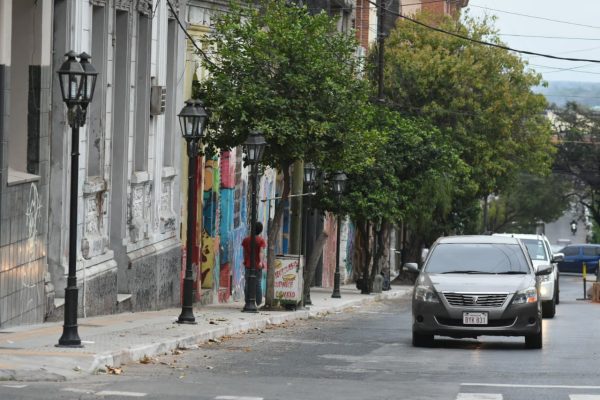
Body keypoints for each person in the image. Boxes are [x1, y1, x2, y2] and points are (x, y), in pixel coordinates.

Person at [241, 221, 267, 306]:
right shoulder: (261, 240)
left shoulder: (246, 240)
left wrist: (245, 260)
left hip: (248, 265)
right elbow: (261, 252)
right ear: (260, 230)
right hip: (257, 266)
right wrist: (260, 262)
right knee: (258, 283)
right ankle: (258, 302)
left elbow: (244, 252)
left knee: (247, 283)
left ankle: (247, 301)